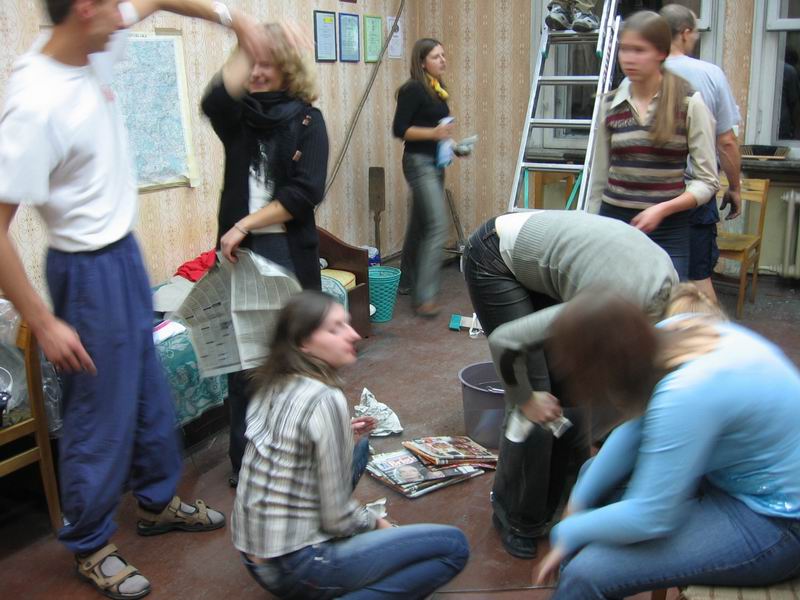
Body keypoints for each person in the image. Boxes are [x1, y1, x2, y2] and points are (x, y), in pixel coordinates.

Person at [0, 1, 279, 598]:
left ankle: (156, 504)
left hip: (124, 255)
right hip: (86, 272)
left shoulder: (92, 42)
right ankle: (90, 543)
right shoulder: (35, 100)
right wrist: (42, 320)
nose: (125, 16)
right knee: (99, 412)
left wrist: (234, 19)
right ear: (84, 8)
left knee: (151, 393)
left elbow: (154, 0)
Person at [536, 290, 800, 597]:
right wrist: (577, 504)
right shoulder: (674, 330)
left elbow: (651, 516)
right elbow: (635, 430)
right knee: (591, 476)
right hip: (738, 478)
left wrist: (568, 530)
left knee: (587, 574)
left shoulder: (686, 392)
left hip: (779, 523)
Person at [463, 209, 678, 559]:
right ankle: (516, 518)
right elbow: (506, 341)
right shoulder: (614, 308)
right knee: (537, 396)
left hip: (572, 267)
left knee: (571, 391)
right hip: (495, 255)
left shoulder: (671, 309)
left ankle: (565, 502)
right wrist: (524, 397)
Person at [232, 291, 470, 598]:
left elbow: (287, 446)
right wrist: (381, 525)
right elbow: (337, 517)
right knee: (453, 547)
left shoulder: (273, 382)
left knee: (360, 448)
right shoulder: (323, 397)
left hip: (255, 555)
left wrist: (343, 432)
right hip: (296, 566)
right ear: (303, 343)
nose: (354, 334)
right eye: (335, 329)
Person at [201, 22, 329, 487]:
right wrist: (244, 38)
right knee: (246, 366)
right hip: (244, 256)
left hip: (286, 252)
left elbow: (305, 192)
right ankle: (246, 463)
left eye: (267, 63)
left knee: (294, 360)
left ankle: (297, 456)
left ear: (288, 69)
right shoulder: (240, 119)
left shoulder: (309, 121)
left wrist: (244, 224)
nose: (256, 72)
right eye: (252, 63)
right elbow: (214, 101)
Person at [588, 11, 718, 281]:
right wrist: (591, 227)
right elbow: (598, 180)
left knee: (665, 303)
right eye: (624, 49)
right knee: (615, 301)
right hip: (614, 224)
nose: (628, 58)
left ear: (661, 53)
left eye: (639, 50)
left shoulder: (689, 103)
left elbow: (707, 181)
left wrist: (662, 209)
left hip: (669, 229)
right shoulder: (609, 105)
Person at [661, 3, 742, 304]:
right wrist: (735, 187)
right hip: (693, 192)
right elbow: (727, 142)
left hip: (649, 193)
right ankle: (707, 334)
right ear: (685, 33)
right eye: (694, 33)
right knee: (698, 282)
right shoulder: (709, 74)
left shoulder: (638, 76)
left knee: (650, 277)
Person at [392, 38, 454, 318]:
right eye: (436, 56)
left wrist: (454, 146)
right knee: (438, 225)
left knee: (420, 224)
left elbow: (437, 129)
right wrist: (434, 134)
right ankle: (425, 297)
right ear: (421, 62)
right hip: (419, 163)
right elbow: (400, 129)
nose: (443, 60)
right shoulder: (413, 89)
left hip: (436, 161)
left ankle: (405, 281)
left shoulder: (436, 88)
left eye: (443, 55)